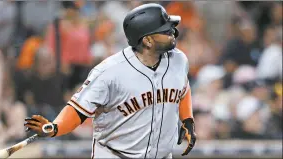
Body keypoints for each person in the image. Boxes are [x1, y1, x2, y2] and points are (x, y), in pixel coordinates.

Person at [24, 3, 196, 158]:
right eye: (166, 31)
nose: (173, 32)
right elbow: (78, 109)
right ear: (147, 40)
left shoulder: (179, 60)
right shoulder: (109, 72)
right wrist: (55, 128)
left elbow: (182, 88)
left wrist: (187, 119)